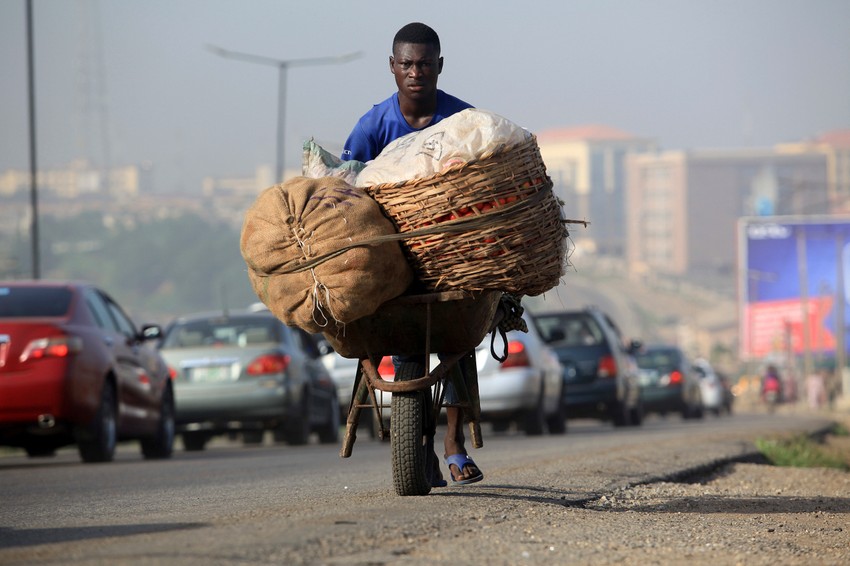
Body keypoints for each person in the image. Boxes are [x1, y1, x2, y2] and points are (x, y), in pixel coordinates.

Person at [341, 22, 482, 486]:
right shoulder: (373, 125)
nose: (415, 72)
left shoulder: (463, 122)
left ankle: (453, 443)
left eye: (424, 64)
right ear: (392, 68)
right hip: (393, 261)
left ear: (439, 67)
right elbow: (345, 186)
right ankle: (414, 445)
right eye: (407, 64)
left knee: (459, 336)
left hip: (449, 257)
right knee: (402, 340)